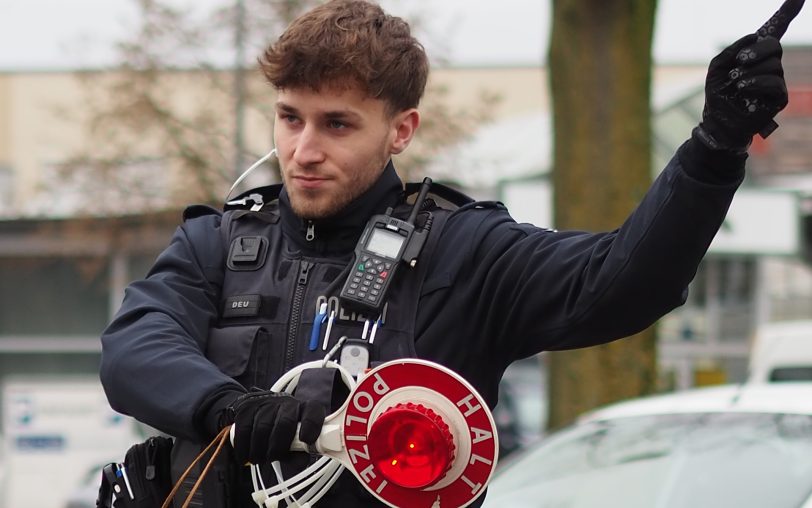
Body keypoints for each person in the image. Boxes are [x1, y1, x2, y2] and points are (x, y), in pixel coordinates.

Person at [100, 0, 796, 506]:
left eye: (336, 124)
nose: (303, 151)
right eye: (290, 118)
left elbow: (620, 282)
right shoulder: (215, 244)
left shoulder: (465, 251)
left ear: (401, 130)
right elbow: (135, 346)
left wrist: (713, 151)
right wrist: (226, 406)